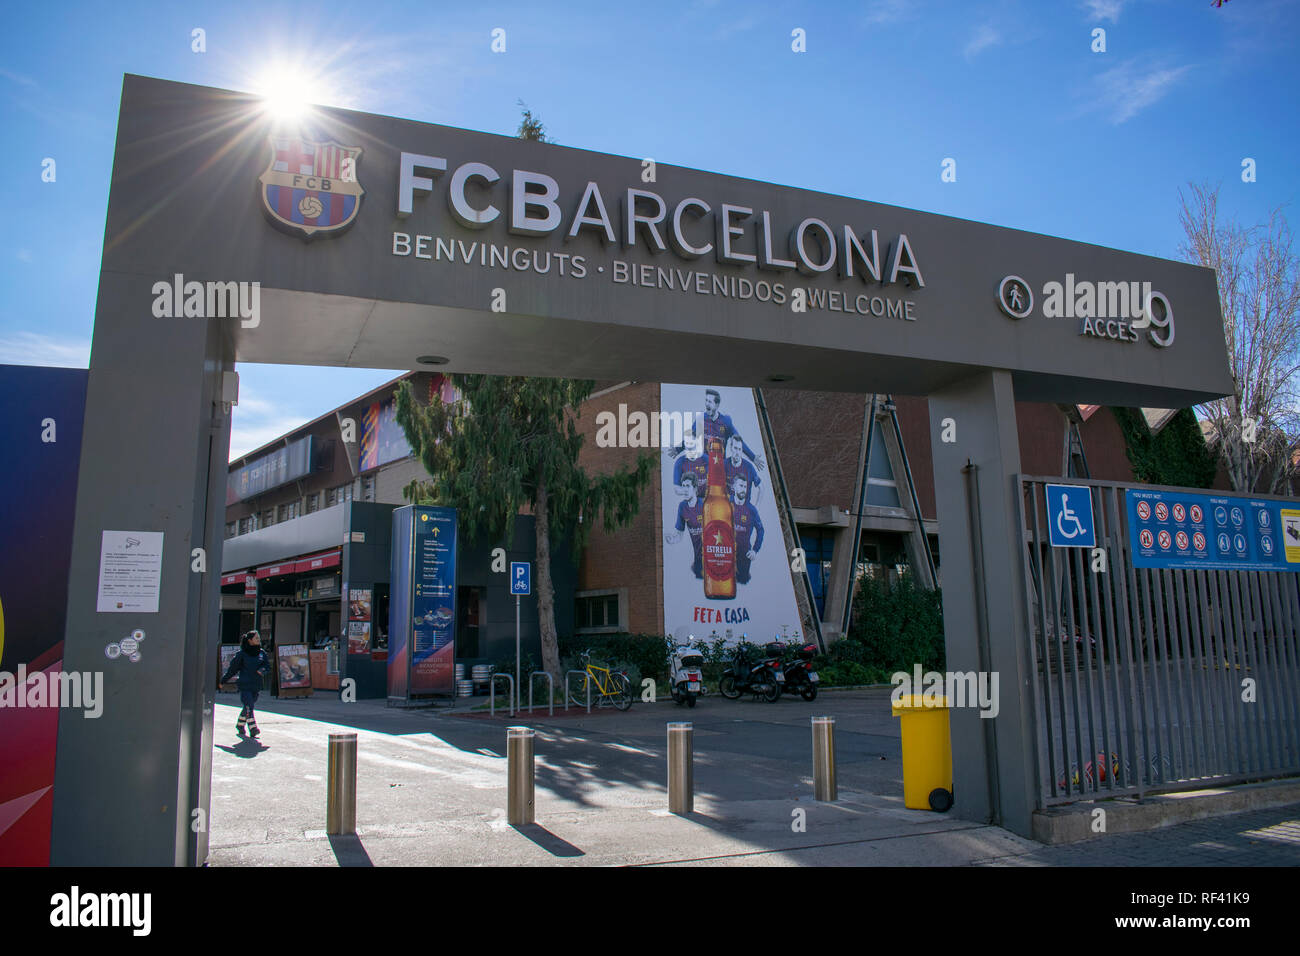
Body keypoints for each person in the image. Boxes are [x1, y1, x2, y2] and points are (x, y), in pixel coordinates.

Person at [220, 630, 271, 738]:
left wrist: (262, 670)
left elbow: (267, 666)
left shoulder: (262, 653)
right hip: (245, 684)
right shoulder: (242, 654)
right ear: (250, 641)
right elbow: (232, 669)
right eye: (256, 638)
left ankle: (240, 724)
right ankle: (253, 728)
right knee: (249, 706)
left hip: (256, 685)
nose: (259, 640)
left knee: (248, 707)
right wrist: (223, 681)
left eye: (259, 638)